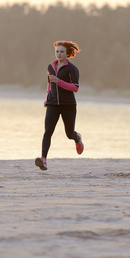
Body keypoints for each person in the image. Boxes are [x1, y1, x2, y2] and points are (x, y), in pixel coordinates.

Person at [35, 41, 84, 171]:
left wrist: (59, 81)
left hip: (68, 105)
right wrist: (47, 98)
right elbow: (49, 84)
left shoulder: (72, 69)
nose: (59, 54)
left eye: (62, 51)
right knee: (48, 131)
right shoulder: (50, 67)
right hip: (52, 103)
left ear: (67, 53)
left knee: (69, 134)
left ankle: (77, 137)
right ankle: (43, 159)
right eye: (57, 51)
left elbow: (75, 88)